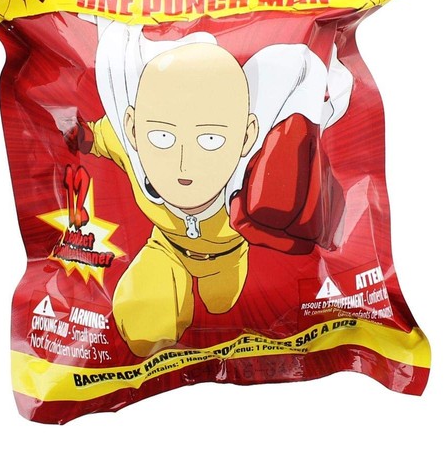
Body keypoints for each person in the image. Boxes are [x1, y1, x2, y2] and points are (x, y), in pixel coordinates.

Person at [64, 19, 352, 357]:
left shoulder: (254, 175)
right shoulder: (131, 148)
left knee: (221, 302)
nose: (184, 163)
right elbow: (102, 137)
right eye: (162, 137)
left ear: (246, 135)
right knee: (144, 323)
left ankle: (220, 281)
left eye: (211, 139)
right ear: (133, 128)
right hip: (167, 249)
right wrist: (80, 135)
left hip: (229, 257)